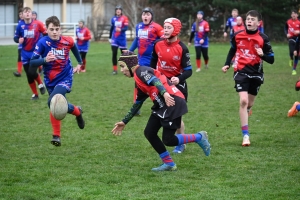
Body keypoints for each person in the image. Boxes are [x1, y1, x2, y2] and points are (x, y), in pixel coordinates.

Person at [112, 52, 211, 171]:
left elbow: (155, 80)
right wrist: (124, 121)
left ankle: (199, 137)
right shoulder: (138, 79)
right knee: (149, 132)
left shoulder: (141, 71)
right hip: (162, 104)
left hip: (173, 101)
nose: (122, 70)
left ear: (130, 65)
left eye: (122, 66)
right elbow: (137, 104)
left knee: (168, 140)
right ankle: (169, 163)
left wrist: (164, 93)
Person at [30, 16, 85, 147]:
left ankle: (56, 136)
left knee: (53, 101)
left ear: (60, 29)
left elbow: (75, 49)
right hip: (50, 80)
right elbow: (32, 62)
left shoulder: (68, 41)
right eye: (51, 29)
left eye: (57, 29)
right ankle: (77, 111)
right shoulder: (43, 43)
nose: (54, 32)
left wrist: (80, 64)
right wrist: (44, 60)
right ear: (47, 30)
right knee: (56, 103)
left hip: (65, 77)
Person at [222, 10, 274, 146]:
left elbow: (272, 59)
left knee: (249, 104)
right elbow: (232, 50)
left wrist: (262, 55)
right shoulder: (237, 35)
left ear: (258, 22)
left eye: (252, 19)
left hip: (256, 73)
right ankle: (245, 135)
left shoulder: (263, 38)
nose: (249, 21)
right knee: (243, 101)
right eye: (248, 19)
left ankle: (247, 110)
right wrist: (227, 64)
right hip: (241, 71)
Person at [150, 18, 192, 154]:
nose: (165, 30)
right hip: (162, 85)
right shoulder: (157, 44)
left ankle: (180, 143)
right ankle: (170, 138)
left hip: (177, 87)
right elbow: (152, 65)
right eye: (164, 27)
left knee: (176, 117)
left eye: (169, 27)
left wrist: (178, 79)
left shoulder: (182, 48)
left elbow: (189, 71)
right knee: (164, 114)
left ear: (176, 30)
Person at [127, 7, 164, 116]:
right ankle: (136, 106)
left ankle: (159, 104)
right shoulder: (138, 26)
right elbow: (137, 40)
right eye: (144, 14)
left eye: (148, 14)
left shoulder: (157, 27)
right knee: (137, 83)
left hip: (153, 61)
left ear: (151, 16)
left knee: (154, 84)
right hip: (140, 61)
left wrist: (157, 48)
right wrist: (129, 51)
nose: (145, 16)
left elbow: (163, 40)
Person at [13, 7, 47, 100]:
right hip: (25, 54)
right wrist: (18, 40)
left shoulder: (38, 24)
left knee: (32, 72)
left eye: (29, 12)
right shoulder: (20, 25)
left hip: (35, 52)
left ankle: (40, 83)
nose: (27, 13)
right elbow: (15, 38)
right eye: (25, 12)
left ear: (32, 14)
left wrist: (44, 44)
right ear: (22, 15)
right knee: (29, 75)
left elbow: (46, 34)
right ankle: (35, 94)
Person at [109, 5, 129, 75]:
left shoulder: (124, 18)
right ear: (115, 11)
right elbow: (111, 28)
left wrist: (121, 29)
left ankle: (125, 69)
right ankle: (115, 70)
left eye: (119, 9)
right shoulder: (113, 19)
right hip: (114, 39)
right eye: (117, 9)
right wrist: (109, 37)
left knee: (124, 55)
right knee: (114, 54)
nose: (118, 11)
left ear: (121, 11)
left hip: (122, 39)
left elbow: (126, 28)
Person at [285, 10, 300, 75]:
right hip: (291, 38)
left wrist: (299, 32)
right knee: (292, 52)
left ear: (297, 15)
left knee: (296, 54)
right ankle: (291, 58)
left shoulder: (299, 22)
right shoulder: (288, 21)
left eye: (295, 14)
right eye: (292, 14)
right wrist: (286, 34)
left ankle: (293, 69)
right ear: (291, 15)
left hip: (298, 38)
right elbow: (285, 28)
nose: (293, 15)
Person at [13, 10, 24, 77]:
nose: (21, 15)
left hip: (30, 45)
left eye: (22, 14)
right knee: (19, 57)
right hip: (21, 44)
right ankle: (19, 72)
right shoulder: (19, 23)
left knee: (33, 57)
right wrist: (18, 40)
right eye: (20, 14)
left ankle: (40, 68)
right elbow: (16, 35)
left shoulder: (30, 23)